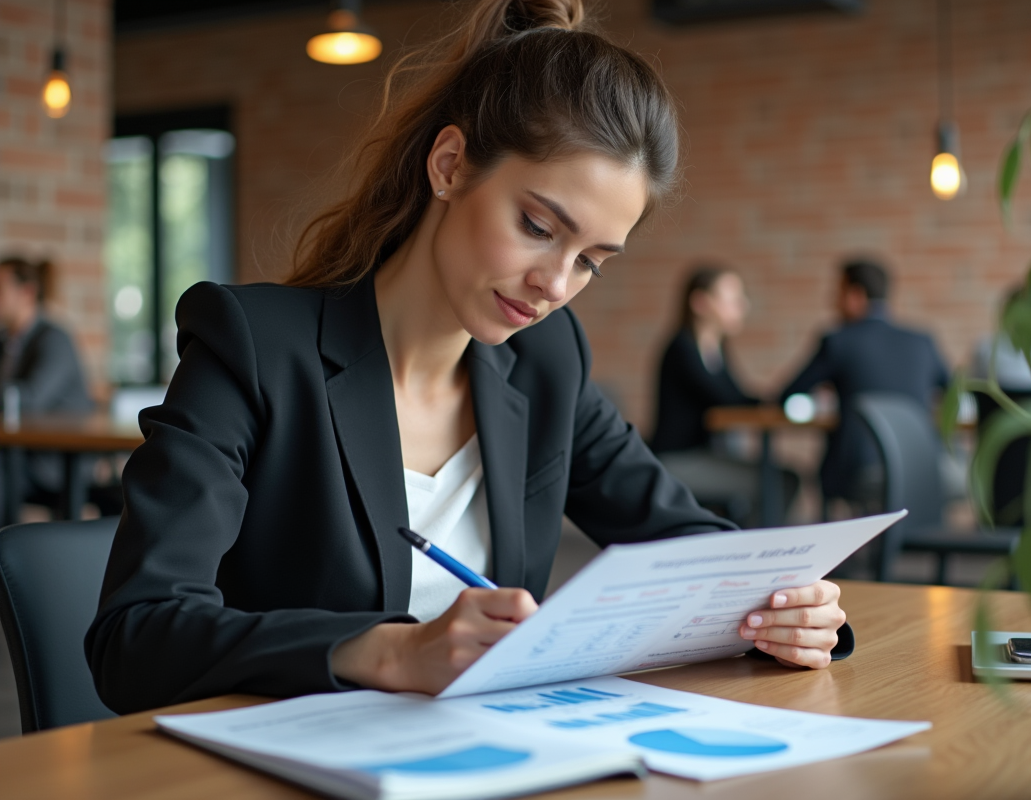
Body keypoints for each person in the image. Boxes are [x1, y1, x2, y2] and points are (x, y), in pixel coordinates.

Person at [86, 0, 849, 715]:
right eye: (538, 225)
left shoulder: (545, 360)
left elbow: (681, 536)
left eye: (591, 261)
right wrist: (385, 651)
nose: (554, 284)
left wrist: (788, 605)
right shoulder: (254, 345)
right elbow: (137, 635)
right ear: (450, 165)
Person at [780, 259, 949, 511]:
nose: (833, 301)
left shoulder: (838, 341)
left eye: (837, 292)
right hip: (924, 465)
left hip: (858, 469)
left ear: (855, 295)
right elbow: (955, 394)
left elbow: (787, 395)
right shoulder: (922, 341)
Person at [650, 265, 797, 524]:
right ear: (701, 302)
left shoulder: (715, 349)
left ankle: (746, 544)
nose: (743, 306)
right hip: (680, 459)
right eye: (732, 300)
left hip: (705, 453)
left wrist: (771, 401)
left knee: (782, 477)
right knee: (781, 480)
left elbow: (736, 396)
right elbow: (728, 400)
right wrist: (775, 402)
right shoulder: (683, 349)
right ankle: (752, 550)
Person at [0, 256, 94, 515]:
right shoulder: (6, 341)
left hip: (55, 461)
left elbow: (31, 398)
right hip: (18, 455)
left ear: (27, 292)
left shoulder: (54, 339)